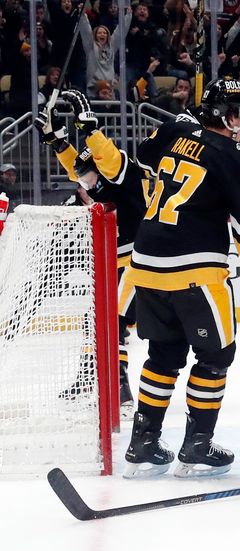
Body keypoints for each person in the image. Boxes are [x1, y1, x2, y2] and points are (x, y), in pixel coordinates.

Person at [123, 78, 240, 479]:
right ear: (223, 114)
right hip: (194, 272)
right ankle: (196, 445)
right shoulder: (238, 159)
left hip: (146, 264)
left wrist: (181, 123)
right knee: (215, 356)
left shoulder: (176, 134)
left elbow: (144, 153)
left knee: (164, 354)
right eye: (237, 111)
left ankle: (143, 443)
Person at [34, 89, 150, 419]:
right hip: (116, 264)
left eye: (88, 172)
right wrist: (58, 141)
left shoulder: (125, 172)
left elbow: (108, 158)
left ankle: (121, 391)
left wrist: (89, 127)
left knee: (112, 322)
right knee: (95, 322)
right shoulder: (100, 180)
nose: (83, 179)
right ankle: (89, 378)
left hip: (138, 264)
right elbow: (79, 167)